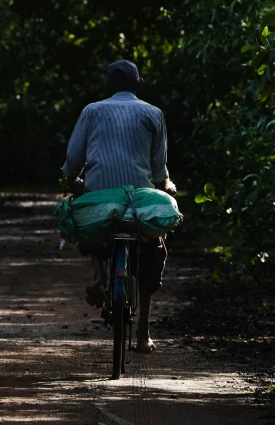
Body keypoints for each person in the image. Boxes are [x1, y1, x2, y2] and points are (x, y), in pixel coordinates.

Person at [62, 59, 176, 354]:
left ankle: (99, 272)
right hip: (137, 197)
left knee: (90, 220)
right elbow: (159, 169)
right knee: (152, 251)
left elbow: (74, 158)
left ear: (108, 86)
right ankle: (143, 334)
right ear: (138, 84)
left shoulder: (92, 111)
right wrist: (166, 186)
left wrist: (71, 179)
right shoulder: (153, 113)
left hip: (99, 194)